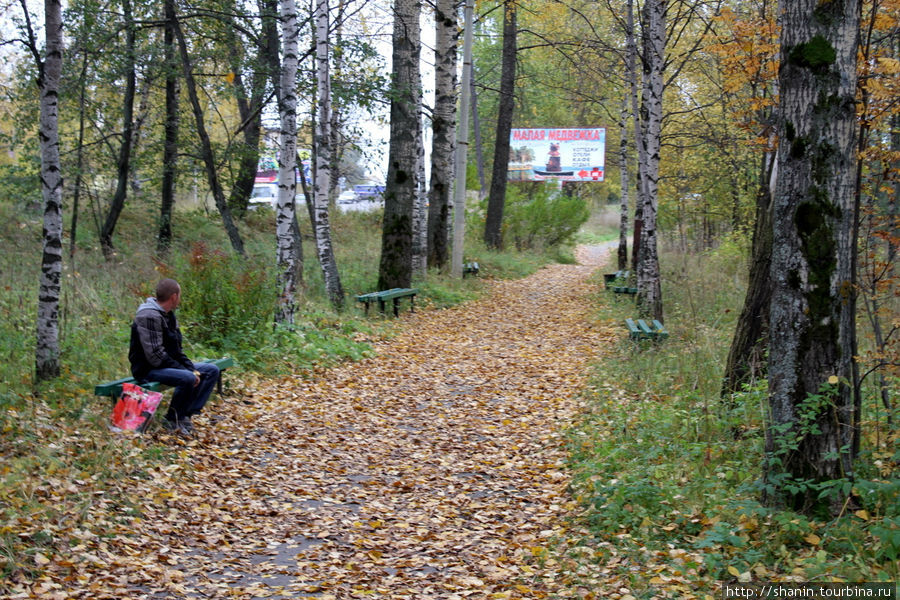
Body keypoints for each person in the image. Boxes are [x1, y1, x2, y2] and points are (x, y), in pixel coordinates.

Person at [129, 278, 220, 435]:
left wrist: (191, 368)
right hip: (148, 369)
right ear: (173, 296)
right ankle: (172, 419)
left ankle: (184, 416)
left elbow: (177, 351)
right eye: (180, 295)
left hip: (166, 365)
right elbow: (155, 356)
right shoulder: (148, 316)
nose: (180, 299)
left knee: (211, 370)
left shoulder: (168, 315)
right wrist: (188, 372)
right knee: (188, 378)